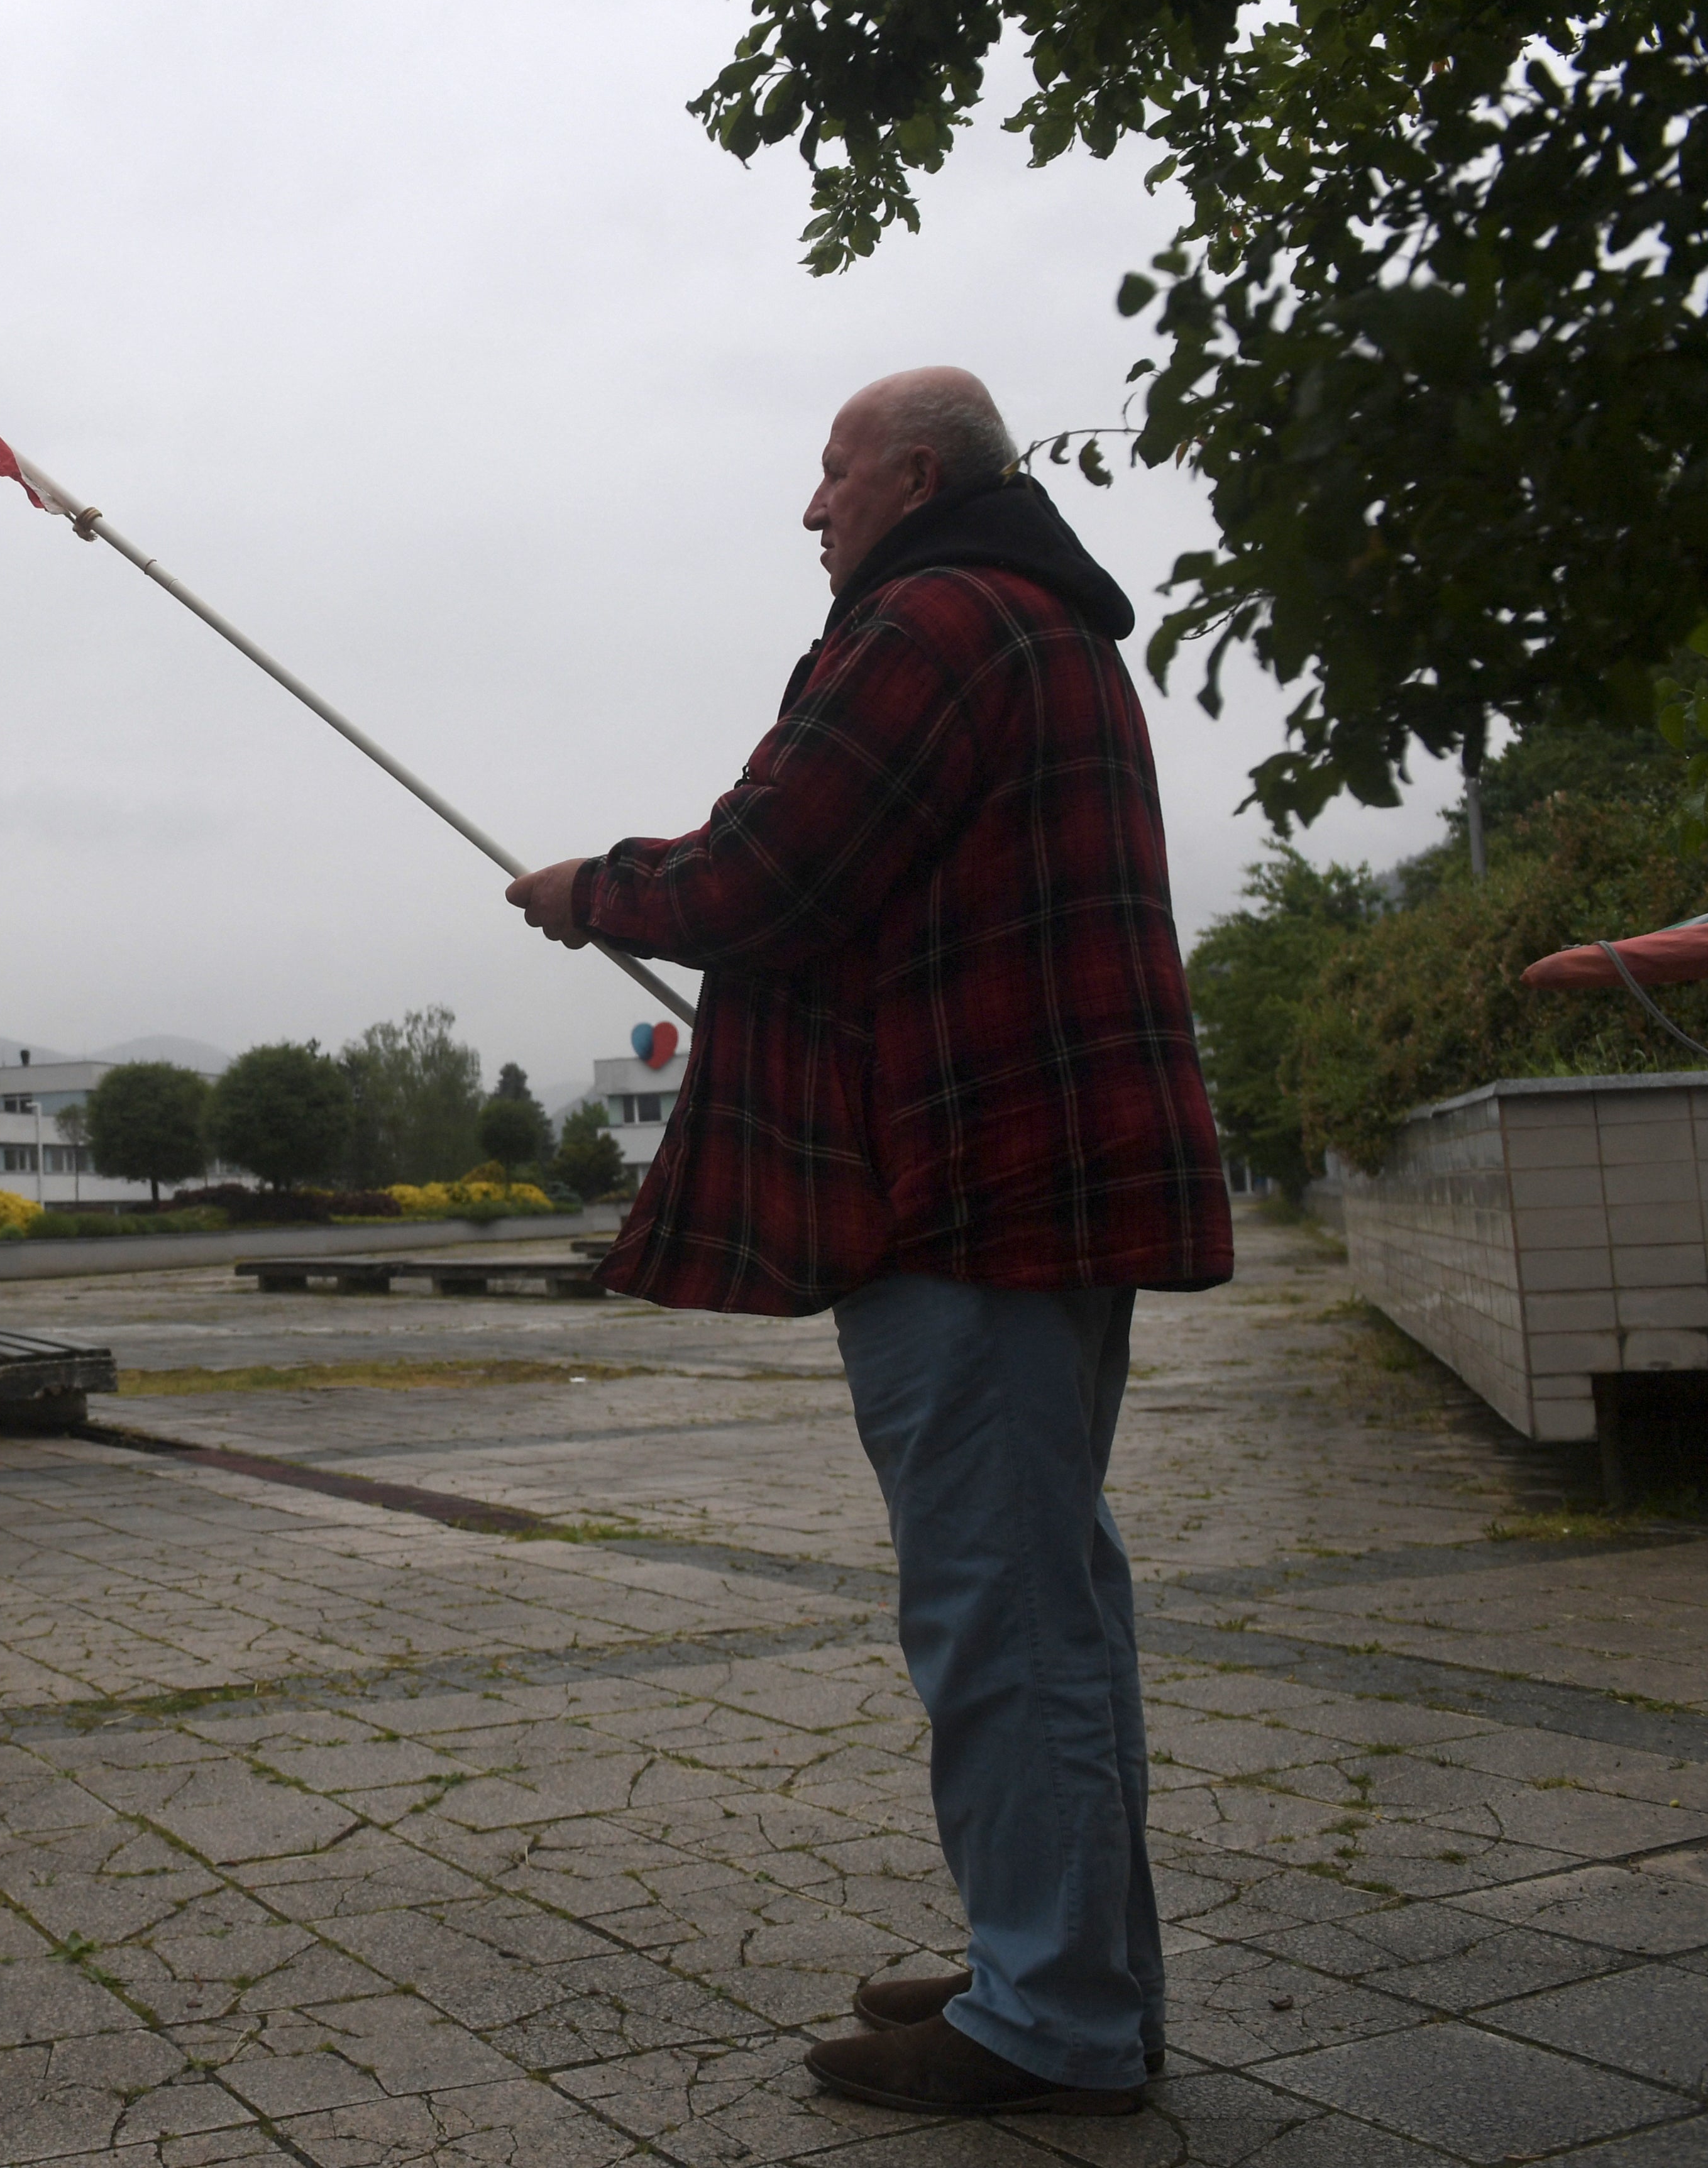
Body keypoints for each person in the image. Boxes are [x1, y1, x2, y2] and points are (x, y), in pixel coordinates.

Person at [507, 367, 1232, 2118]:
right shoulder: (1030, 620)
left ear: (913, 473)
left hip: (964, 1191)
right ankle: (1062, 1969)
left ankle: (1050, 2016)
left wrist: (594, 888)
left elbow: (770, 868)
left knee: (1003, 1613)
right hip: (1036, 1187)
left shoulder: (933, 621)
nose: (808, 506)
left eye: (830, 472)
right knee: (1050, 1600)